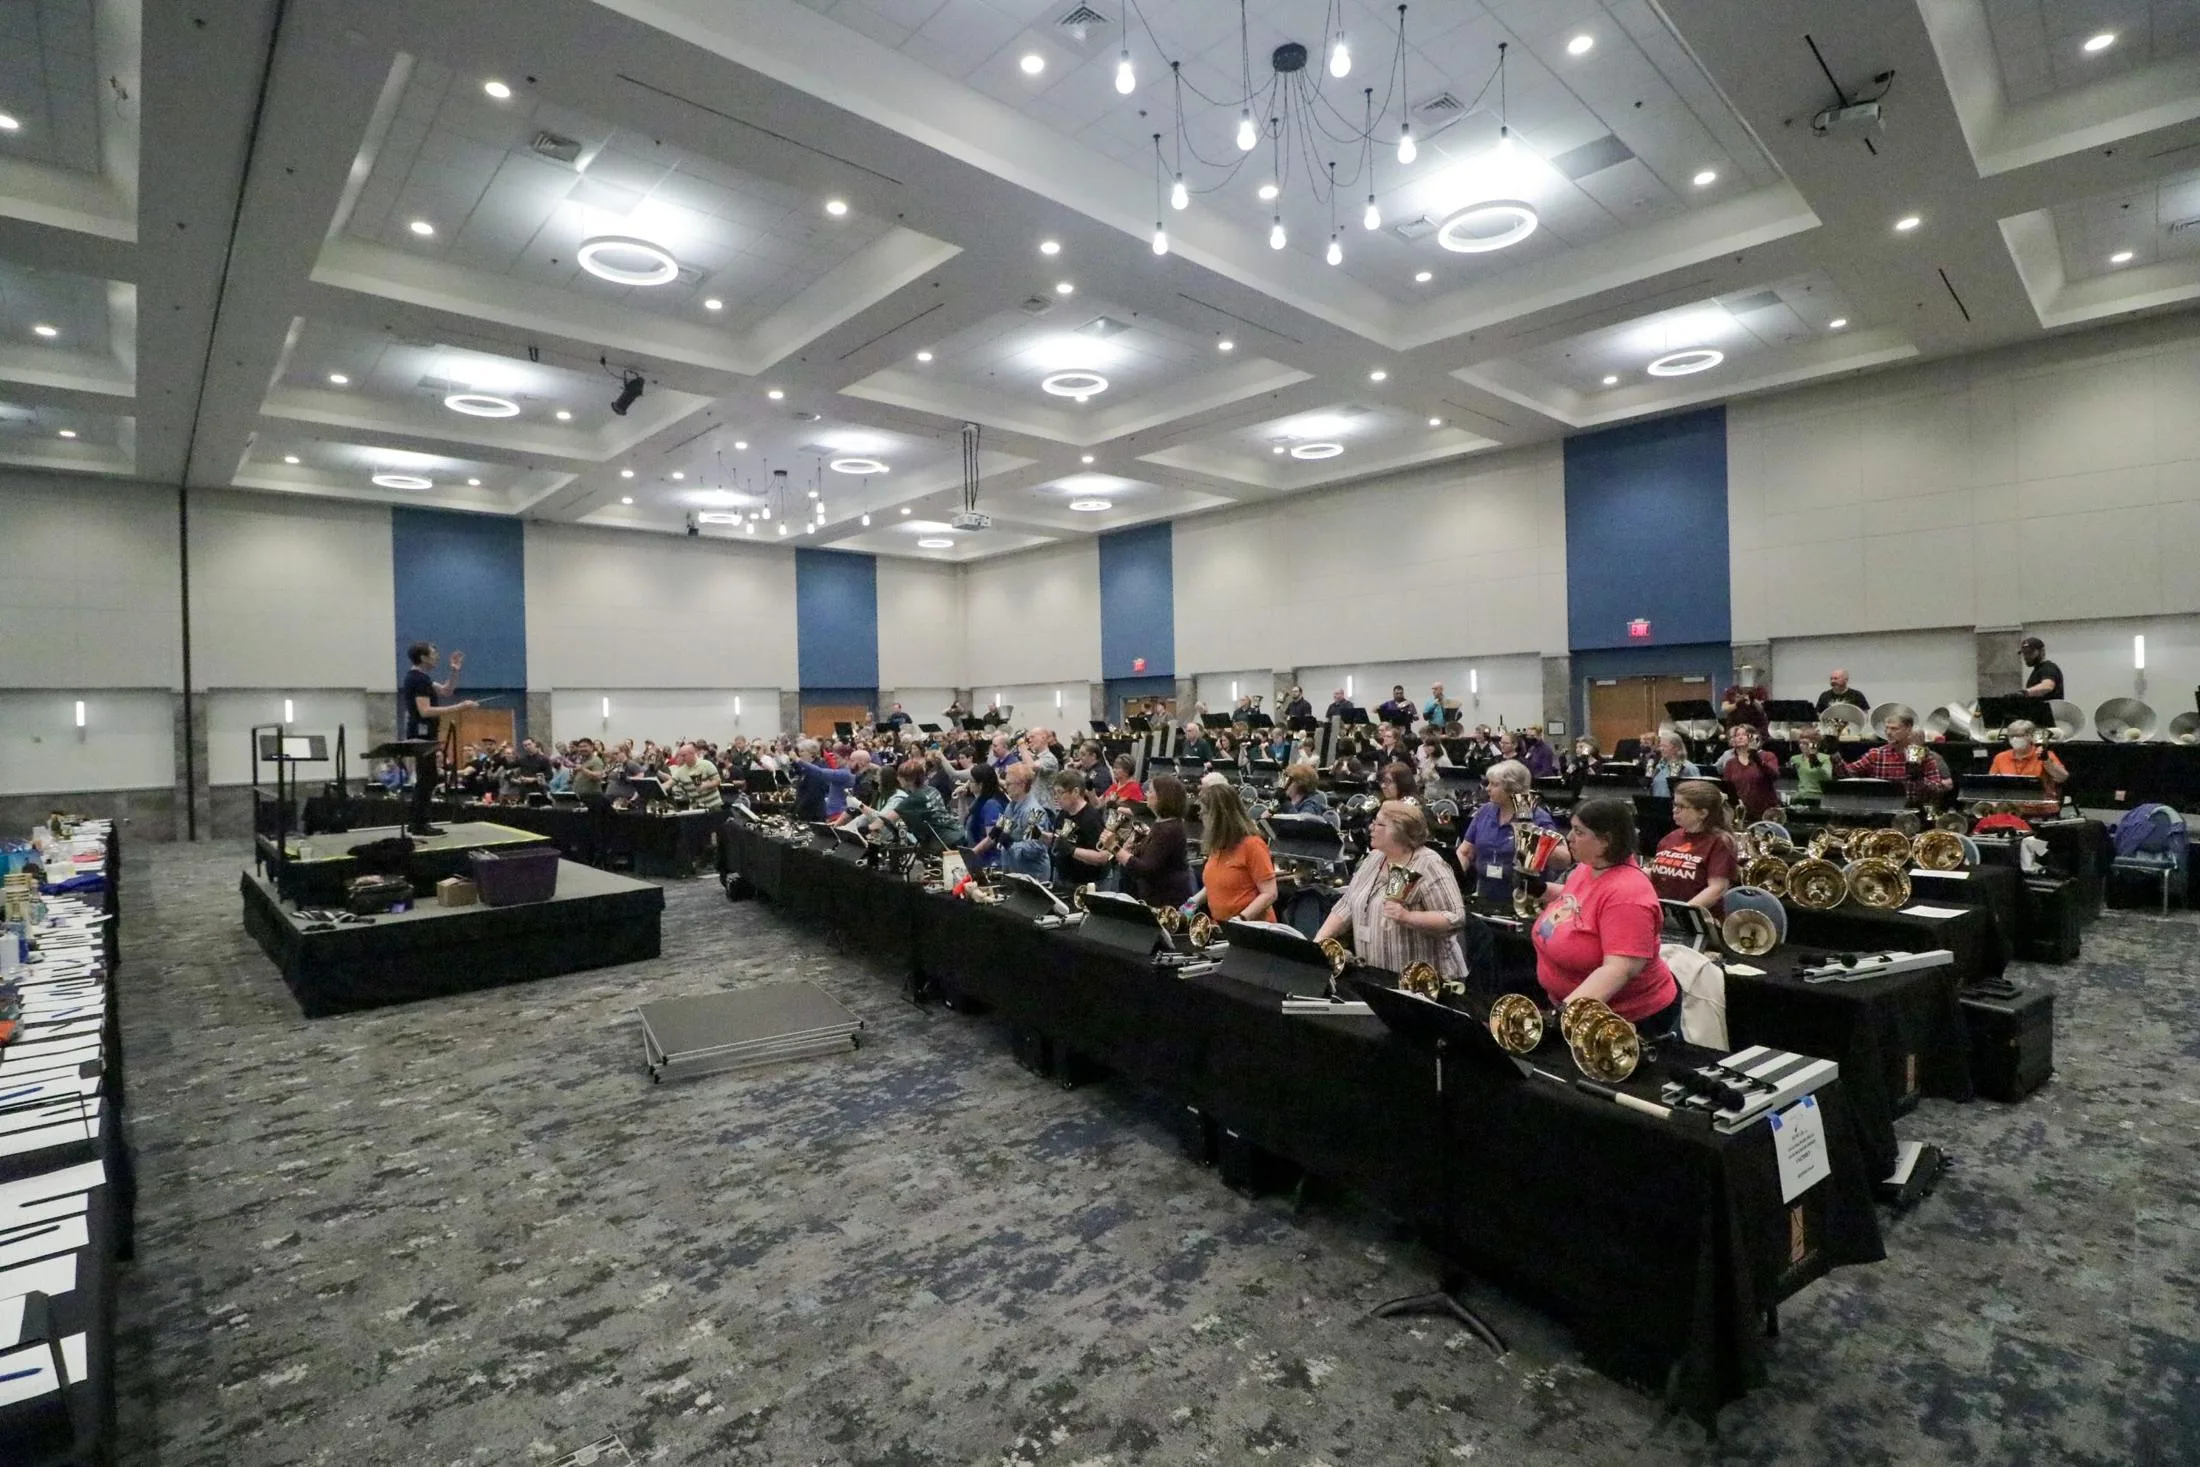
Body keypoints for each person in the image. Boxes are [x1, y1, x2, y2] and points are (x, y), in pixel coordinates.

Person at [1528, 797, 1680, 1033]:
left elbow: (1619, 969)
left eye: (1578, 832)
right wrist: (1542, 889)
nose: (1568, 838)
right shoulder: (1588, 867)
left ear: (1605, 841)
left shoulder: (1629, 895)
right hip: (1579, 1008)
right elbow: (1577, 902)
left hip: (1623, 1021)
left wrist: (1563, 1014)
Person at [1313, 800, 1470, 979]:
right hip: (1377, 973)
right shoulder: (1374, 859)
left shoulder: (1429, 864)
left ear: (1400, 831)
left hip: (1424, 982)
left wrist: (1407, 917)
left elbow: (1454, 918)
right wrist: (1319, 941)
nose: (1371, 827)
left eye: (1379, 824)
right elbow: (1347, 905)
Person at [1455, 758, 1569, 906]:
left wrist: (1534, 838)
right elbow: (1465, 852)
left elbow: (1564, 860)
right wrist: (1452, 878)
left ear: (1512, 789)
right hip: (1485, 894)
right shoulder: (1485, 811)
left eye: (1494, 784)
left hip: (1522, 901)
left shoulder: (1534, 816)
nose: (1487, 789)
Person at [398, 641, 476, 836]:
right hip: (421, 735)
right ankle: (419, 823)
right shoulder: (418, 680)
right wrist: (459, 708)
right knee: (427, 777)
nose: (437, 656)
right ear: (423, 657)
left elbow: (447, 691)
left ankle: (418, 822)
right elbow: (425, 711)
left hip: (427, 735)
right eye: (433, 653)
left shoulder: (423, 678)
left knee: (428, 777)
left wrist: (455, 671)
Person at [1188, 782, 1277, 922]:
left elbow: (1270, 893)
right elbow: (1215, 884)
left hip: (1252, 930)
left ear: (1219, 816)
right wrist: (1190, 905)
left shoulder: (1253, 845)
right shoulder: (1219, 845)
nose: (1200, 817)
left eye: (1204, 813)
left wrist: (1241, 919)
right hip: (1222, 927)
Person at [1649, 780, 1739, 915]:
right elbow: (1661, 872)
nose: (1675, 810)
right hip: (1663, 916)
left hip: (1697, 921)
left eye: (1681, 806)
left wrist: (1682, 913)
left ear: (1702, 813)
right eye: (1674, 804)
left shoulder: (1720, 842)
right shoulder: (1670, 838)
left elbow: (1717, 888)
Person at [1836, 710, 1952, 804]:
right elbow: (1847, 774)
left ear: (1908, 728)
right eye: (1887, 728)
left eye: (1894, 728)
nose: (1888, 732)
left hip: (1911, 812)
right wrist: (1834, 755)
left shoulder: (1922, 754)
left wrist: (1917, 776)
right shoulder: (1876, 754)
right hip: (1882, 810)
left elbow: (1937, 791)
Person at [1118, 774, 1194, 908]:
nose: (1147, 794)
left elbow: (1146, 869)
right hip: (1156, 897)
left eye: (1151, 791)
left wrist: (1115, 849)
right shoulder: (1163, 824)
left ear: (1162, 797)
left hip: (1166, 902)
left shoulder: (1168, 830)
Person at [861, 758, 963, 849]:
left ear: (910, 780)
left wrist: (865, 829)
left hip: (944, 842)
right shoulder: (932, 790)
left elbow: (884, 820)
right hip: (956, 833)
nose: (898, 778)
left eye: (901, 776)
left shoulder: (914, 799)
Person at [1049, 771, 1111, 885]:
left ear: (1076, 792)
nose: (1056, 797)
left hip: (1087, 883)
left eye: (1060, 792)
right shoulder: (1063, 814)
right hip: (1064, 877)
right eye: (1054, 792)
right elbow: (1059, 841)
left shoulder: (1091, 819)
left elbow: (1103, 857)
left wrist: (1072, 850)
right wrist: (1040, 835)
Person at [1716, 725, 1781, 821]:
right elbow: (1727, 788)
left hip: (1765, 811)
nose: (1740, 737)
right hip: (1741, 812)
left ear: (1754, 737)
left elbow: (1774, 775)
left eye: (1745, 734)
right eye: (1737, 735)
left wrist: (1756, 758)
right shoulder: (1731, 763)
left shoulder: (1767, 756)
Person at [1989, 719, 2068, 797]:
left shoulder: (2046, 755)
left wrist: (2047, 761)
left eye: (2020, 735)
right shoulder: (2000, 757)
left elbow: (2062, 777)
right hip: (2011, 805)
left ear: (2031, 736)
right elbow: (1991, 783)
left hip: (2041, 805)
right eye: (2012, 736)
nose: (2015, 739)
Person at [791, 737, 856, 820]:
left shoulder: (845, 773)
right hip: (833, 812)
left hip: (836, 813)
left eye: (837, 758)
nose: (834, 761)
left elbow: (820, 772)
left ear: (847, 758)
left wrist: (798, 760)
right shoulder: (844, 771)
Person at [961, 761, 1007, 866]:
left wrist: (971, 854)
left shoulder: (992, 805)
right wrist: (961, 799)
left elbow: (991, 839)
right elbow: (964, 821)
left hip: (991, 862)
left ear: (980, 785)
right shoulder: (979, 800)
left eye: (971, 781)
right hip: (979, 858)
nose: (968, 783)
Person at [1789, 726, 1837, 803]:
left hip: (1818, 797)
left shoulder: (1824, 758)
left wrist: (1814, 758)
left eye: (1805, 743)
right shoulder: (1795, 759)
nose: (1801, 745)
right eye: (1800, 743)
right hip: (1801, 797)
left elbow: (1827, 777)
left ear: (1814, 745)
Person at [1647, 731, 1700, 798]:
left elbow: (1698, 792)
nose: (1661, 749)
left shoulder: (1688, 768)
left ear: (1676, 748)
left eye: (1665, 746)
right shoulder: (1660, 766)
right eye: (1660, 746)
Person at [2019, 636, 2065, 701]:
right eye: (2024, 653)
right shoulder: (2037, 670)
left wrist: (2024, 693)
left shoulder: (2048, 667)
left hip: (2050, 710)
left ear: (2042, 651)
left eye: (2030, 653)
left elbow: (2047, 686)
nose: (2026, 656)